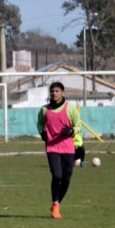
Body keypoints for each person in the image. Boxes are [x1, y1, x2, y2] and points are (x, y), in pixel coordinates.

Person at [37, 82, 81, 219]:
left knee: (66, 178)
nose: (54, 93)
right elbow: (39, 123)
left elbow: (78, 125)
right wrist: (42, 132)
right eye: (52, 91)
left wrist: (72, 130)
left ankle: (57, 203)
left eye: (56, 91)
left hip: (68, 148)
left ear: (62, 92)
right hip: (52, 147)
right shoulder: (44, 110)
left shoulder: (70, 109)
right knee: (57, 176)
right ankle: (55, 204)